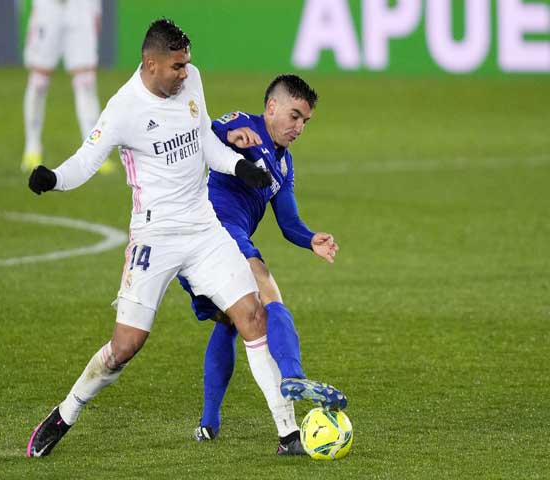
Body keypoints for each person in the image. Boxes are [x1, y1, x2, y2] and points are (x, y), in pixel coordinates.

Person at [24, 18, 319, 458]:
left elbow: (204, 144)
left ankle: (288, 434)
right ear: (151, 63)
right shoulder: (124, 108)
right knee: (125, 347)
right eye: (177, 66)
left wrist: (239, 167)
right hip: (154, 234)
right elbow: (87, 160)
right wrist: (53, 177)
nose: (186, 73)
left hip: (203, 227)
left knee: (252, 315)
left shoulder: (192, 82)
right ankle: (65, 412)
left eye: (187, 64)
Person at [178, 74, 346, 454]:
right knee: (267, 290)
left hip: (213, 244)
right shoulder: (246, 125)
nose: (299, 127)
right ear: (272, 107)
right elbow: (214, 129)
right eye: (295, 115)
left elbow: (288, 223)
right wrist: (234, 132)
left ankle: (208, 422)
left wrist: (311, 238)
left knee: (232, 321)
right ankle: (293, 377)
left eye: (305, 121)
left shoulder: (284, 167)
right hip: (214, 232)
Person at [21, 0, 113, 174]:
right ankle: (32, 148)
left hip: (81, 7)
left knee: (86, 81)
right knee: (39, 80)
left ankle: (93, 152)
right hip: (49, 7)